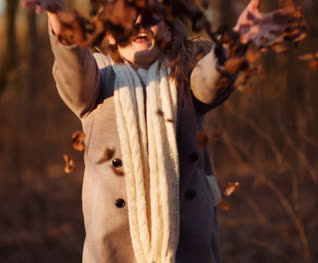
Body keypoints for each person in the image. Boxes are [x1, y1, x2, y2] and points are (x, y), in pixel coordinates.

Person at [22, 1, 262, 262]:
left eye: (151, 15)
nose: (139, 22)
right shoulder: (98, 80)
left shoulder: (184, 76)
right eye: (128, 16)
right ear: (110, 34)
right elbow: (74, 71)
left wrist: (234, 47)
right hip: (114, 252)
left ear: (169, 30)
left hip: (186, 249)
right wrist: (64, 25)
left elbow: (210, 80)